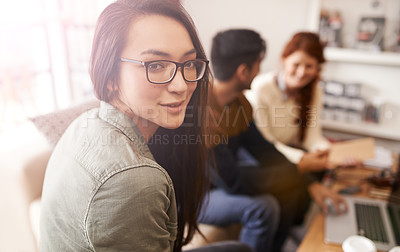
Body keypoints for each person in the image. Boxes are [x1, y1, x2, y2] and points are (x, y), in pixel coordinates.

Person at [39, 1, 252, 252]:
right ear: (110, 78)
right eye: (156, 65)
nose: (181, 86)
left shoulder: (83, 124)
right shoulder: (133, 180)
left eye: (189, 63)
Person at [199, 29, 347, 252]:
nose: (260, 70)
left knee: (287, 186)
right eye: (259, 63)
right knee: (264, 206)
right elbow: (232, 182)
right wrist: (298, 169)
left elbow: (264, 150)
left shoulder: (238, 104)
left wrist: (307, 180)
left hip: (224, 181)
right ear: (243, 71)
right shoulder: (203, 111)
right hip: (195, 196)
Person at [246, 32, 357, 174]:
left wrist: (331, 153)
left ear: (318, 68)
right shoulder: (261, 87)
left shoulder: (315, 90)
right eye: (296, 64)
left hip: (295, 154)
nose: (301, 72)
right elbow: (267, 142)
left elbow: (312, 137)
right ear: (284, 60)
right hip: (268, 158)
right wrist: (304, 158)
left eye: (309, 66)